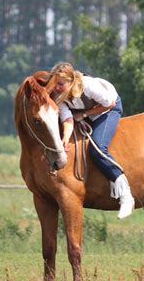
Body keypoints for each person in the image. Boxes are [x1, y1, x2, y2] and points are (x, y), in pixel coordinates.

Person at [46, 62, 135, 219]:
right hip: (91, 113)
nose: (57, 88)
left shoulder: (88, 86)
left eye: (60, 84)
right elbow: (67, 120)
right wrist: (64, 140)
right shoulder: (59, 98)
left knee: (98, 148)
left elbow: (110, 103)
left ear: (71, 81)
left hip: (109, 109)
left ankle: (126, 195)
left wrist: (85, 114)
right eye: (55, 83)